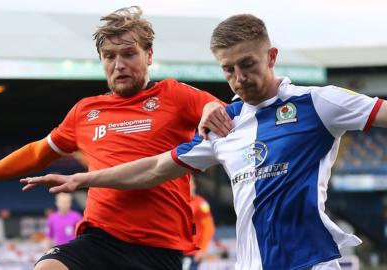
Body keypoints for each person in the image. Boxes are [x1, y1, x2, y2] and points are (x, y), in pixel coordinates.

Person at [20, 14, 387, 270]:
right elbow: (155, 168)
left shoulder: (317, 103)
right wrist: (84, 179)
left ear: (271, 57)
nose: (239, 78)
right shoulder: (226, 124)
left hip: (311, 262)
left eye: (248, 64)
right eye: (228, 69)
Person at [0, 6, 231, 270]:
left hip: (159, 248)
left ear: (149, 55)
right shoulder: (86, 111)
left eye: (129, 54)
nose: (119, 65)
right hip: (100, 239)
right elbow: (37, 153)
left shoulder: (174, 95)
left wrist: (209, 108)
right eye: (110, 56)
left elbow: (220, 109)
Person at [183, 176, 215, 270]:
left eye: (191, 183)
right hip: (177, 250)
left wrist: (202, 249)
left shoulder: (201, 204)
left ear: (194, 185)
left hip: (192, 252)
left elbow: (209, 228)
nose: (189, 186)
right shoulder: (178, 202)